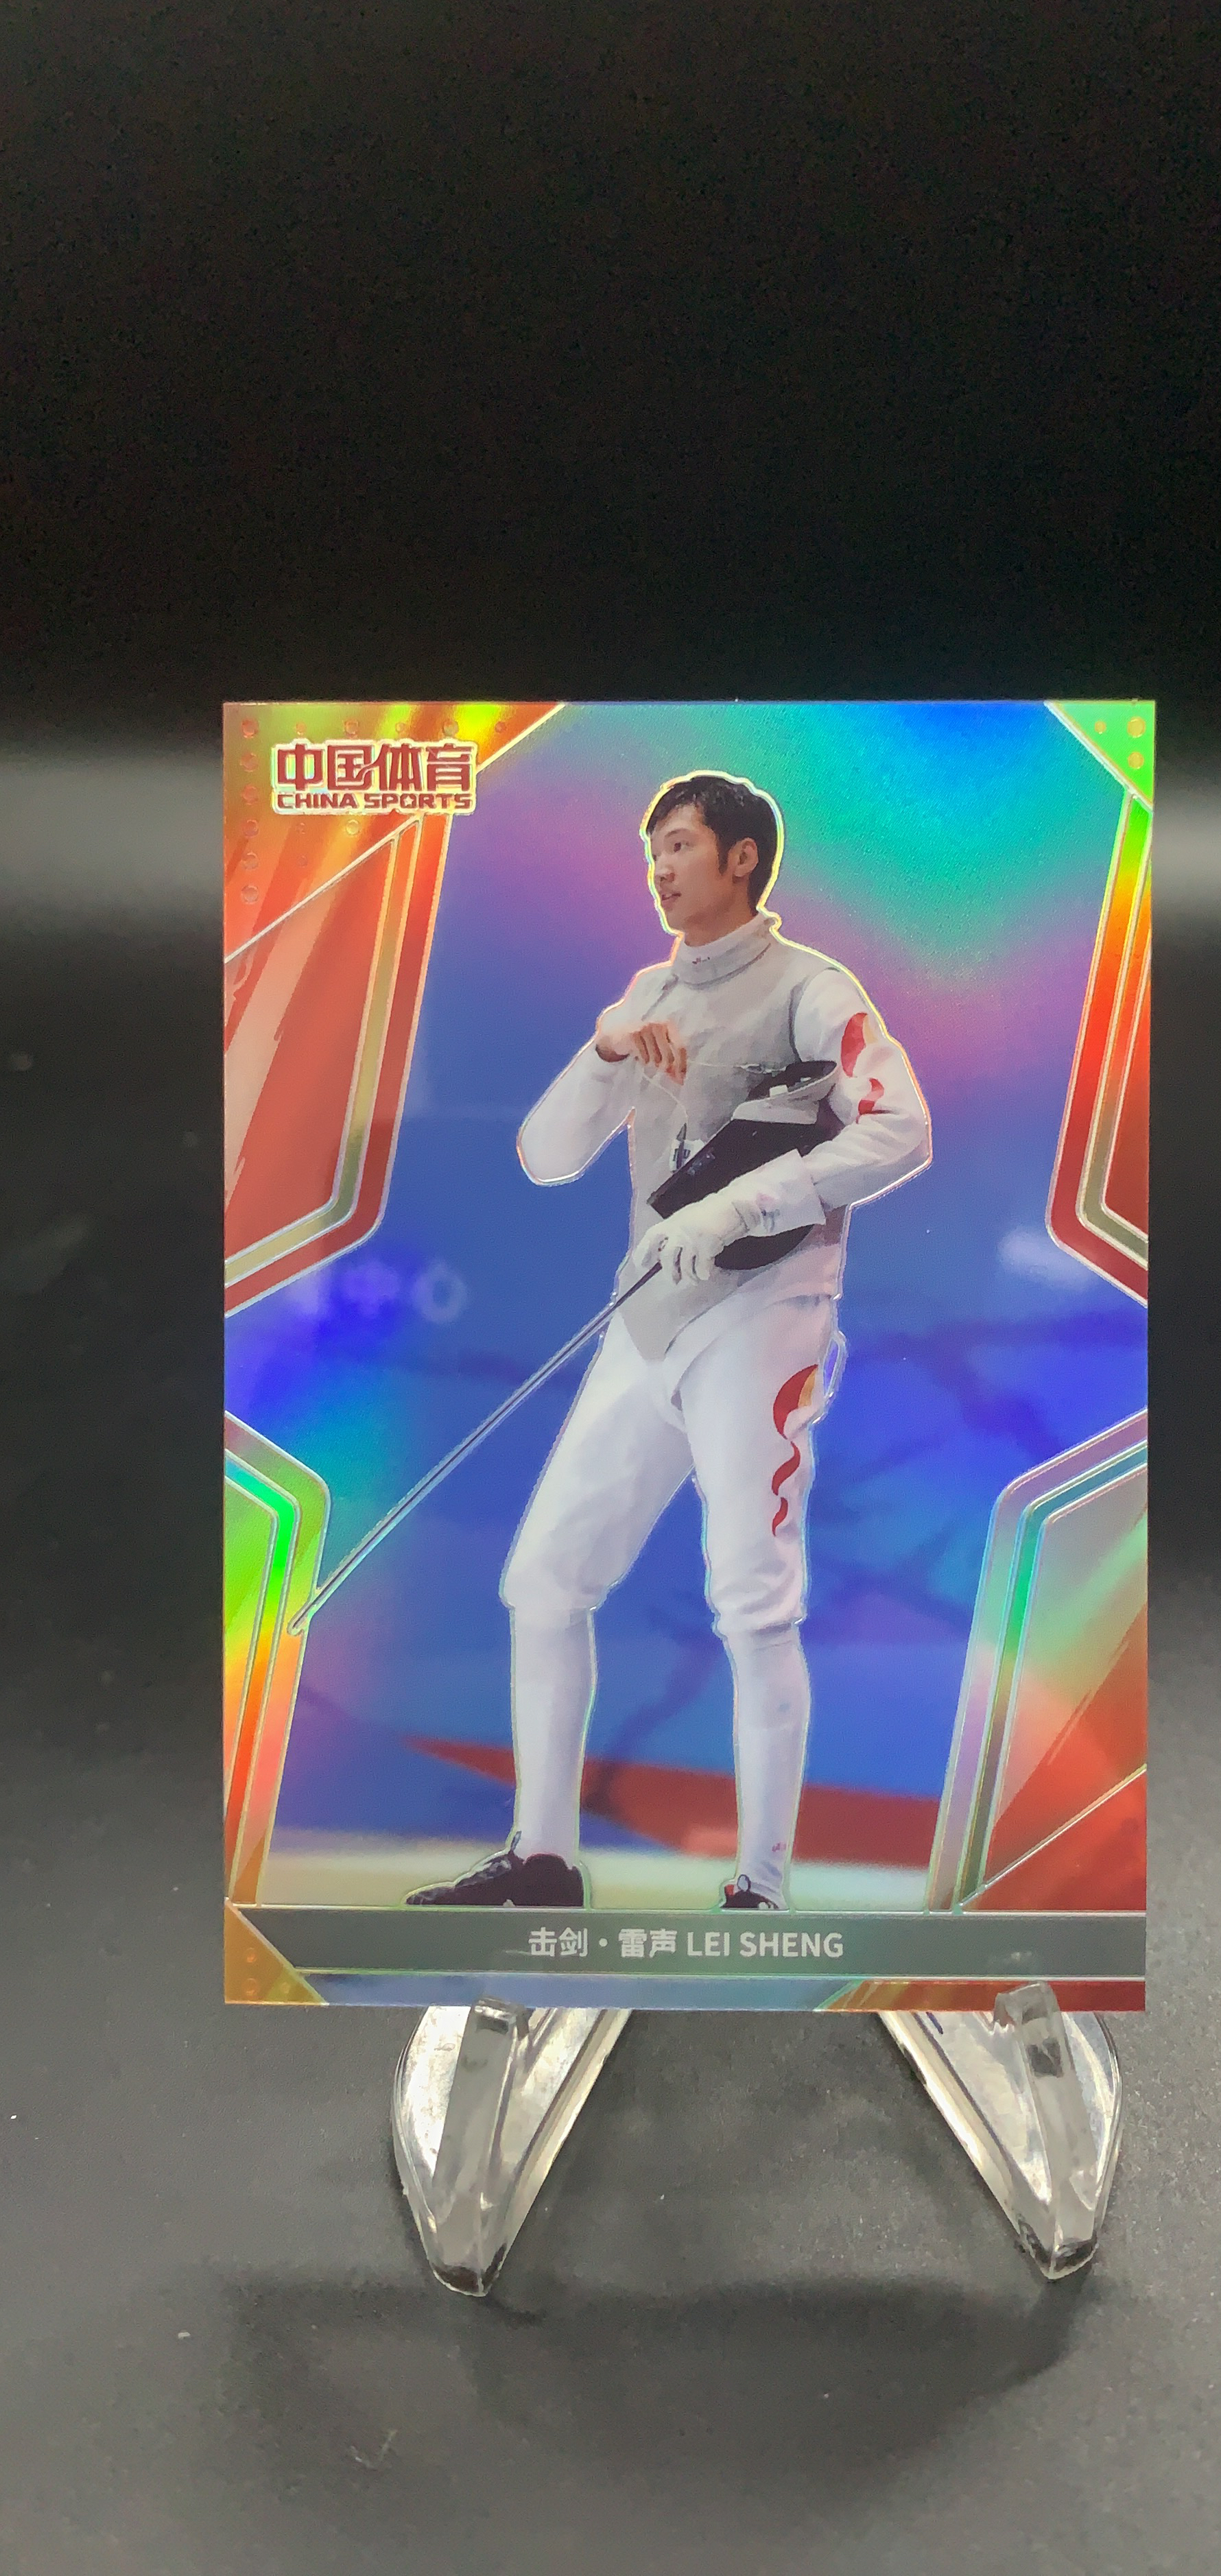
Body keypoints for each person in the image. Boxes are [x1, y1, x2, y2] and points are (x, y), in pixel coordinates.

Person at [407, 772, 930, 1912]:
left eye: (682, 845)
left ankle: (761, 1888)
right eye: (653, 849)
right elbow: (547, 1156)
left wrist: (744, 1205)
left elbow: (902, 1128)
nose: (660, 867)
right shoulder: (647, 995)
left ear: (742, 858)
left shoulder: (814, 989)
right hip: (647, 1316)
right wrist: (604, 1052)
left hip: (766, 1318)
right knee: (545, 1580)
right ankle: (543, 1860)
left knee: (752, 1598)